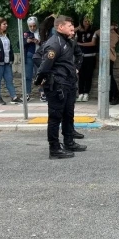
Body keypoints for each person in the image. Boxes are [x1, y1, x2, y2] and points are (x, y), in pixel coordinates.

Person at [34, 15, 87, 159]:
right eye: (70, 26)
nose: (72, 29)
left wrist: (75, 69)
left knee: (68, 114)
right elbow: (42, 62)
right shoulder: (54, 43)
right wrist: (41, 79)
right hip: (57, 85)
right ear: (60, 27)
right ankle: (54, 149)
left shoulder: (67, 41)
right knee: (55, 117)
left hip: (68, 83)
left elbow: (75, 57)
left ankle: (69, 142)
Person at [94, 21, 119, 105]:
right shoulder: (109, 33)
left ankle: (116, 96)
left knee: (109, 78)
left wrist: (111, 27)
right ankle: (110, 97)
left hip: (109, 58)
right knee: (107, 77)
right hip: (106, 57)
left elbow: (97, 32)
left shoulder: (114, 35)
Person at [75, 17, 97, 102]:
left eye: (88, 21)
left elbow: (93, 43)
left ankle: (86, 93)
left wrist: (81, 44)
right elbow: (72, 36)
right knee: (81, 75)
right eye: (85, 21)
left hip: (90, 56)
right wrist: (78, 28)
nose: (87, 23)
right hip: (81, 57)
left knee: (89, 75)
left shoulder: (93, 31)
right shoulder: (79, 31)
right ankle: (80, 93)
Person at [22, 16, 41, 102]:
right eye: (30, 26)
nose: (32, 28)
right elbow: (19, 44)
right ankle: (27, 93)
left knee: (40, 74)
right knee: (28, 75)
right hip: (29, 56)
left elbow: (47, 43)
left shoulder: (41, 32)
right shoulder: (26, 33)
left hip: (39, 56)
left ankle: (42, 93)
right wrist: (27, 41)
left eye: (34, 26)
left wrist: (39, 42)